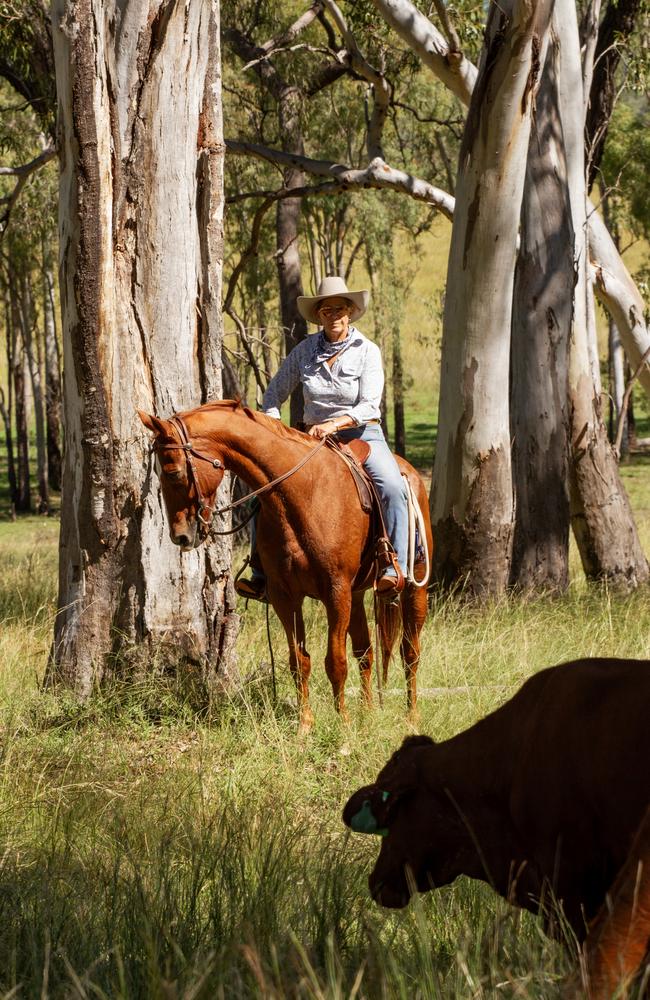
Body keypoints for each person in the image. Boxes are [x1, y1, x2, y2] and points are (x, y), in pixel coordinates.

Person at [235, 275, 408, 600]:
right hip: (311, 441)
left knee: (393, 486)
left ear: (351, 311)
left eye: (340, 309)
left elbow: (370, 404)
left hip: (362, 435)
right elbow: (272, 395)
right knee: (267, 491)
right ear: (319, 315)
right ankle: (260, 571)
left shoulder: (367, 351)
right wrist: (277, 432)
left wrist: (335, 424)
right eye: (327, 310)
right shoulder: (304, 352)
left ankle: (393, 565)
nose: (334, 315)